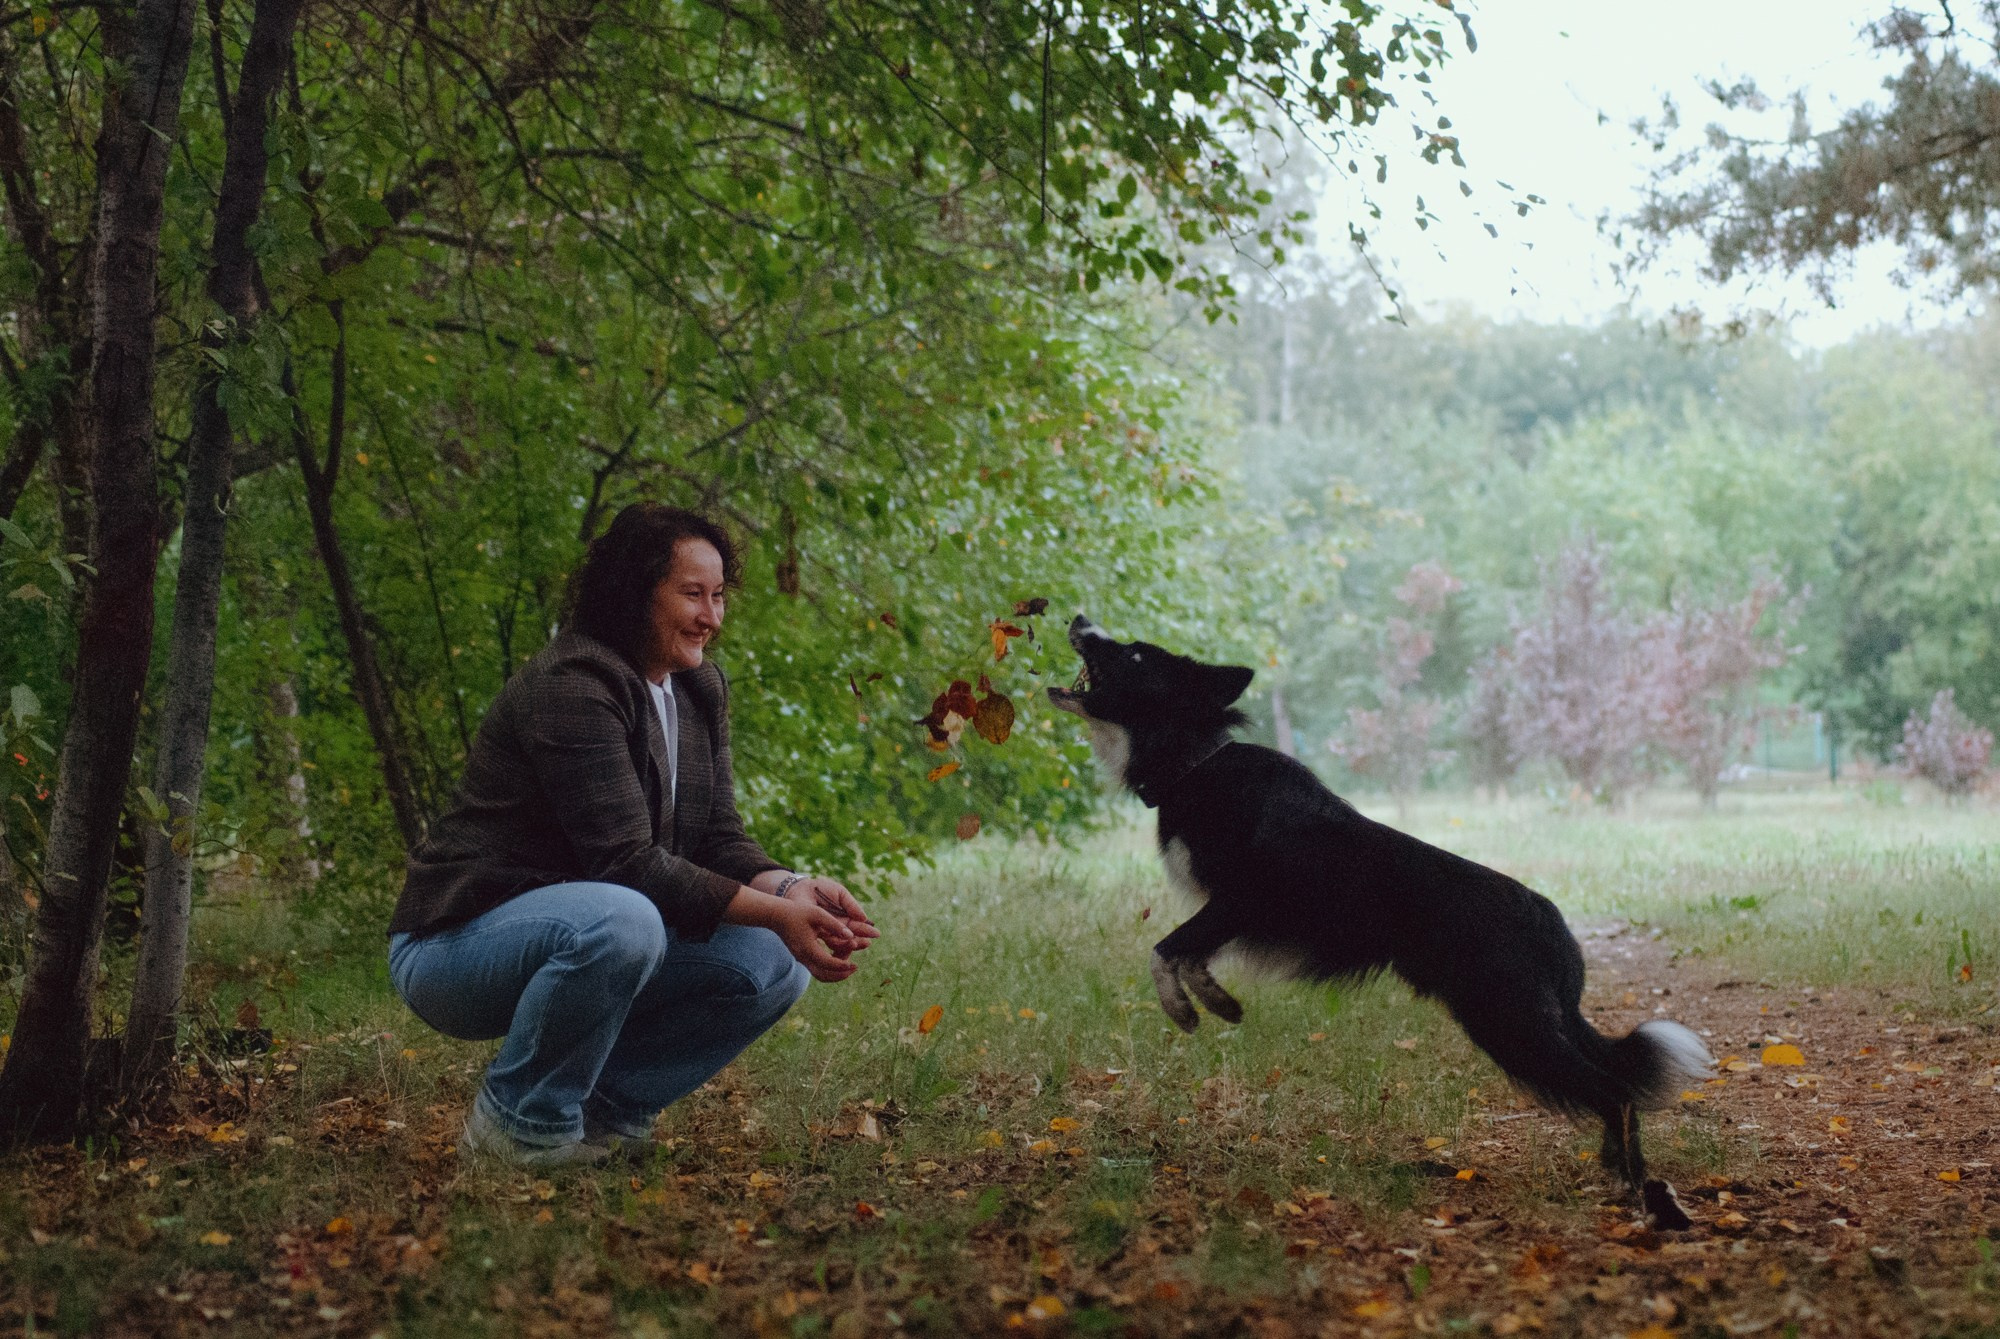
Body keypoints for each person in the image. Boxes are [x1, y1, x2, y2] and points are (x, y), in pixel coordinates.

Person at [386, 503, 877, 1168]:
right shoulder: (576, 683)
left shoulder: (699, 689)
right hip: (455, 947)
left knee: (774, 957)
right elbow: (625, 863)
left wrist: (794, 891)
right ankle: (516, 1125)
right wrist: (778, 910)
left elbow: (719, 839)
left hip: (587, 928)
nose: (712, 615)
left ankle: (600, 1117)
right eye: (692, 594)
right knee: (625, 919)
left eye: (720, 594)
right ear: (635, 590)